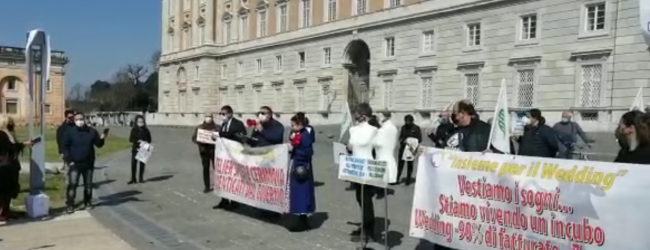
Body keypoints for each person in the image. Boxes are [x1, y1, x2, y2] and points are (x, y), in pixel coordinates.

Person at [347, 103, 380, 243]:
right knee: (360, 198)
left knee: (366, 199)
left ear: (364, 116)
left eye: (357, 116)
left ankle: (368, 229)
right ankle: (365, 226)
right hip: (356, 167)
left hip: (367, 167)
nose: (356, 119)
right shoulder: (353, 130)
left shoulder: (374, 130)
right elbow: (350, 146)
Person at [63, 112, 108, 213]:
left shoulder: (91, 131)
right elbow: (65, 147)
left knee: (88, 185)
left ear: (85, 119)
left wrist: (102, 138)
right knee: (73, 184)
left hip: (88, 163)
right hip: (74, 163)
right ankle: (70, 204)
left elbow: (98, 144)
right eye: (77, 119)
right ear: (74, 121)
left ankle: (88, 202)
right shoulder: (70, 132)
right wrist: (69, 160)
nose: (79, 121)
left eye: (81, 119)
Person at [0, 116, 34, 221]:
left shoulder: (10, 134)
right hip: (4, 167)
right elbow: (8, 148)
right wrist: (22, 145)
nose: (12, 125)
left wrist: (23, 144)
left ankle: (6, 211)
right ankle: (2, 213)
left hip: (11, 166)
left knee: (11, 189)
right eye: (9, 123)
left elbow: (13, 146)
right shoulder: (1, 135)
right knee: (3, 190)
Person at [286, 114, 316, 232]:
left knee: (302, 192)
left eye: (293, 125)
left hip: (301, 167)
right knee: (297, 192)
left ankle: (302, 219)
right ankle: (300, 217)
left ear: (300, 125)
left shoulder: (305, 135)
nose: (292, 127)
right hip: (296, 164)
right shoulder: (298, 134)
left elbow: (308, 152)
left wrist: (295, 149)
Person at [214, 105, 246, 210]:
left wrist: (223, 135)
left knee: (233, 178)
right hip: (224, 156)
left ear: (230, 114)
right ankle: (224, 200)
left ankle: (235, 201)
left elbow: (240, 137)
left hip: (234, 156)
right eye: (221, 114)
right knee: (223, 177)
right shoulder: (223, 124)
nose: (222, 116)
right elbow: (222, 135)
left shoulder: (238, 124)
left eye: (224, 114)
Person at [192, 113, 220, 193]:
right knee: (205, 168)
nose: (209, 118)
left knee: (217, 168)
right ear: (204, 118)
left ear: (212, 117)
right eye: (207, 116)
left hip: (214, 150)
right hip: (204, 151)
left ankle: (218, 185)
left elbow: (221, 137)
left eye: (210, 116)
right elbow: (194, 138)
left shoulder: (217, 127)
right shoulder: (199, 127)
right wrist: (200, 140)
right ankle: (207, 186)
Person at [396, 115, 421, 185]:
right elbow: (400, 137)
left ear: (412, 121)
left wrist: (412, 142)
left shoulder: (416, 128)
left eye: (408, 121)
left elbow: (419, 139)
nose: (407, 123)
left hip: (411, 150)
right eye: (406, 121)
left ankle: (408, 180)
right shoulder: (403, 128)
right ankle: (397, 179)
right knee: (400, 165)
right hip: (403, 148)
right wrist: (402, 141)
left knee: (410, 165)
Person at [128, 115, 152, 184]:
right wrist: (137, 140)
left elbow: (149, 139)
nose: (140, 123)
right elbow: (130, 139)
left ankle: (141, 178)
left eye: (142, 121)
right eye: (139, 121)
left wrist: (144, 141)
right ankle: (133, 178)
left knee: (142, 164)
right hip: (136, 148)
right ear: (136, 122)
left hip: (144, 148)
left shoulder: (146, 130)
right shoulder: (134, 130)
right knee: (133, 164)